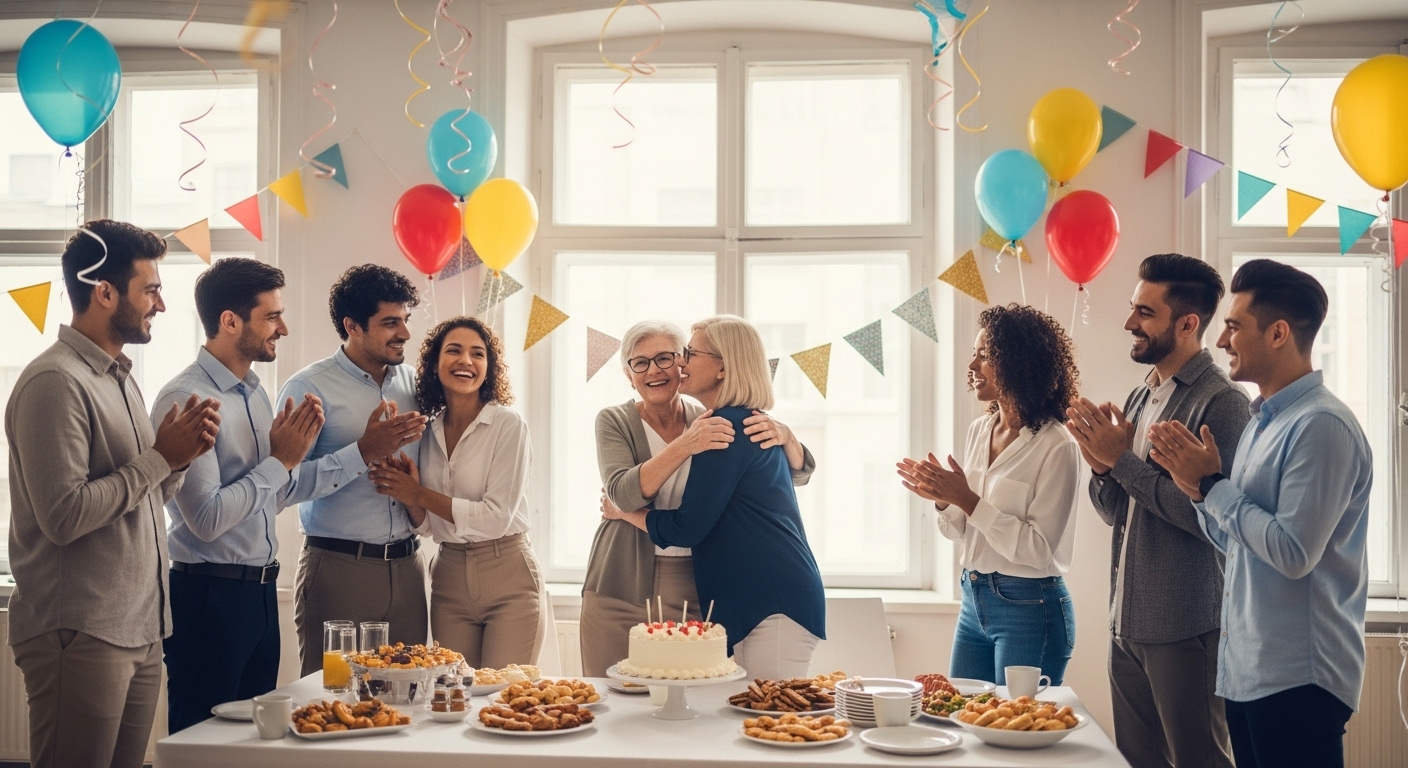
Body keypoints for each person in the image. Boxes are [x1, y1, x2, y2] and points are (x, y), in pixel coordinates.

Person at [6, 220, 220, 768]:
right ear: (104, 292)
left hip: (142, 629)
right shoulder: (55, 382)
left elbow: (140, 499)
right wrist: (159, 459)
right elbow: (64, 515)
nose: (161, 306)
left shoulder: (119, 377)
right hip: (80, 632)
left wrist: (178, 462)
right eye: (150, 289)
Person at [1148, 259, 1371, 768]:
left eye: (1233, 325)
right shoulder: (1261, 423)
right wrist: (1200, 493)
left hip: (1298, 677)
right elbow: (1240, 543)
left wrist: (1212, 486)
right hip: (1247, 672)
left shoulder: (1321, 426)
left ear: (1277, 333)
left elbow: (1292, 553)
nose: (1221, 340)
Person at [1065, 254, 1246, 768]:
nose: (1129, 324)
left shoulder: (1222, 404)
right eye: (1132, 309)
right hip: (1126, 623)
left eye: (1144, 313)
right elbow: (1117, 513)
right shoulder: (1141, 396)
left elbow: (1208, 519)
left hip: (1185, 627)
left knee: (1199, 761)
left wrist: (1120, 461)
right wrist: (1101, 468)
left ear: (1188, 324)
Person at [153, 258, 329, 733]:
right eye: (271, 316)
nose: (283, 327)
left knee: (254, 741)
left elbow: (273, 493)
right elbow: (206, 519)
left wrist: (363, 453)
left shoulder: (255, 393)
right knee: (201, 741)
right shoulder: (186, 400)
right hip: (208, 596)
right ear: (230, 321)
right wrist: (280, 461)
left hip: (259, 594)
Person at [585, 320, 815, 677]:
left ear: (681, 364)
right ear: (628, 374)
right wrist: (685, 445)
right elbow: (622, 492)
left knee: (695, 701)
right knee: (614, 697)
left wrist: (788, 436)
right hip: (622, 578)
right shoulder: (615, 420)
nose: (653, 370)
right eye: (639, 363)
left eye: (668, 357)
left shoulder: (716, 420)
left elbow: (792, 475)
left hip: (698, 582)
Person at [897, 303, 1079, 686]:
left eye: (984, 355)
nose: (972, 365)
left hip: (1030, 608)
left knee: (1016, 731)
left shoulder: (1057, 445)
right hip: (974, 598)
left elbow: (1038, 549)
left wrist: (967, 500)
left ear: (1016, 362)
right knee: (961, 718)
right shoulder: (979, 430)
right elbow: (963, 532)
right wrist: (945, 498)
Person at [278, 264, 430, 675]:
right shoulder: (307, 390)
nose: (404, 333)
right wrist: (362, 452)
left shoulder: (417, 385)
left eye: (406, 320)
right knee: (332, 698)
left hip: (409, 570)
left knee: (407, 699)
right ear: (353, 326)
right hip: (338, 571)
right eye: (390, 322)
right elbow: (281, 488)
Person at [368, 317, 542, 667]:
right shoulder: (427, 431)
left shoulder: (508, 425)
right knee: (455, 697)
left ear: (489, 369)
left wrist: (419, 495)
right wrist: (406, 493)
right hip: (448, 576)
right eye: (454, 351)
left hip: (506, 570)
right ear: (435, 363)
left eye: (478, 354)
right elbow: (430, 526)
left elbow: (496, 518)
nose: (466, 361)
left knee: (501, 697)